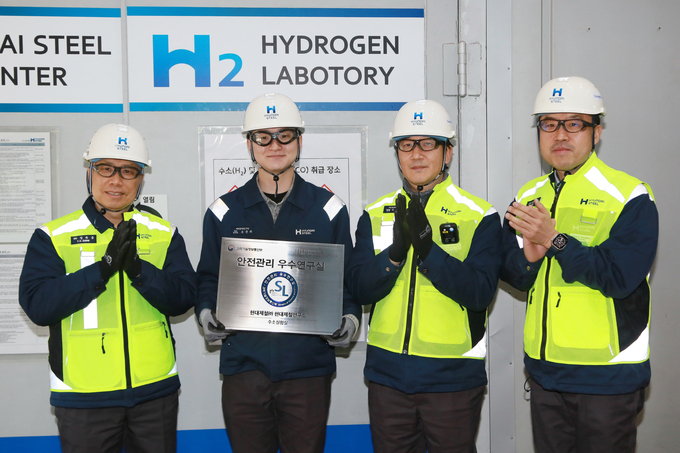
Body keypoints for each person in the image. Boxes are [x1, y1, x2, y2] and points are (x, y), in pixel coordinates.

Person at [195, 92, 361, 453]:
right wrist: (207, 313)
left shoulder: (329, 209)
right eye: (263, 137)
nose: (274, 145)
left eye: (284, 136)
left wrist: (349, 319)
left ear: (299, 141)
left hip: (308, 369)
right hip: (244, 365)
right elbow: (208, 277)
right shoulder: (223, 212)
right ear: (249, 144)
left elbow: (345, 281)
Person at [501, 76, 658, 452]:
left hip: (607, 378)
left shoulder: (630, 195)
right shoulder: (528, 195)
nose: (560, 135)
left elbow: (619, 277)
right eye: (549, 124)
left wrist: (554, 240)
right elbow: (513, 275)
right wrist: (529, 259)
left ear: (596, 132)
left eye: (574, 124)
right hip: (545, 374)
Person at [19, 123, 197, 453]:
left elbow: (184, 298)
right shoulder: (53, 236)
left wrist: (139, 271)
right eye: (105, 168)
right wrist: (102, 270)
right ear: (90, 172)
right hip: (84, 397)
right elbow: (39, 306)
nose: (116, 180)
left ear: (141, 179)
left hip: (154, 392)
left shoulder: (164, 233)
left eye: (128, 171)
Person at [347, 99, 502, 453]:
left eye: (428, 143)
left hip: (452, 379)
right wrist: (394, 256)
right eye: (406, 145)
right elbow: (358, 288)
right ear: (397, 153)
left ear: (448, 152)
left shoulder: (479, 215)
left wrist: (429, 253)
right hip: (387, 377)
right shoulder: (374, 213)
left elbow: (480, 292)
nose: (416, 154)